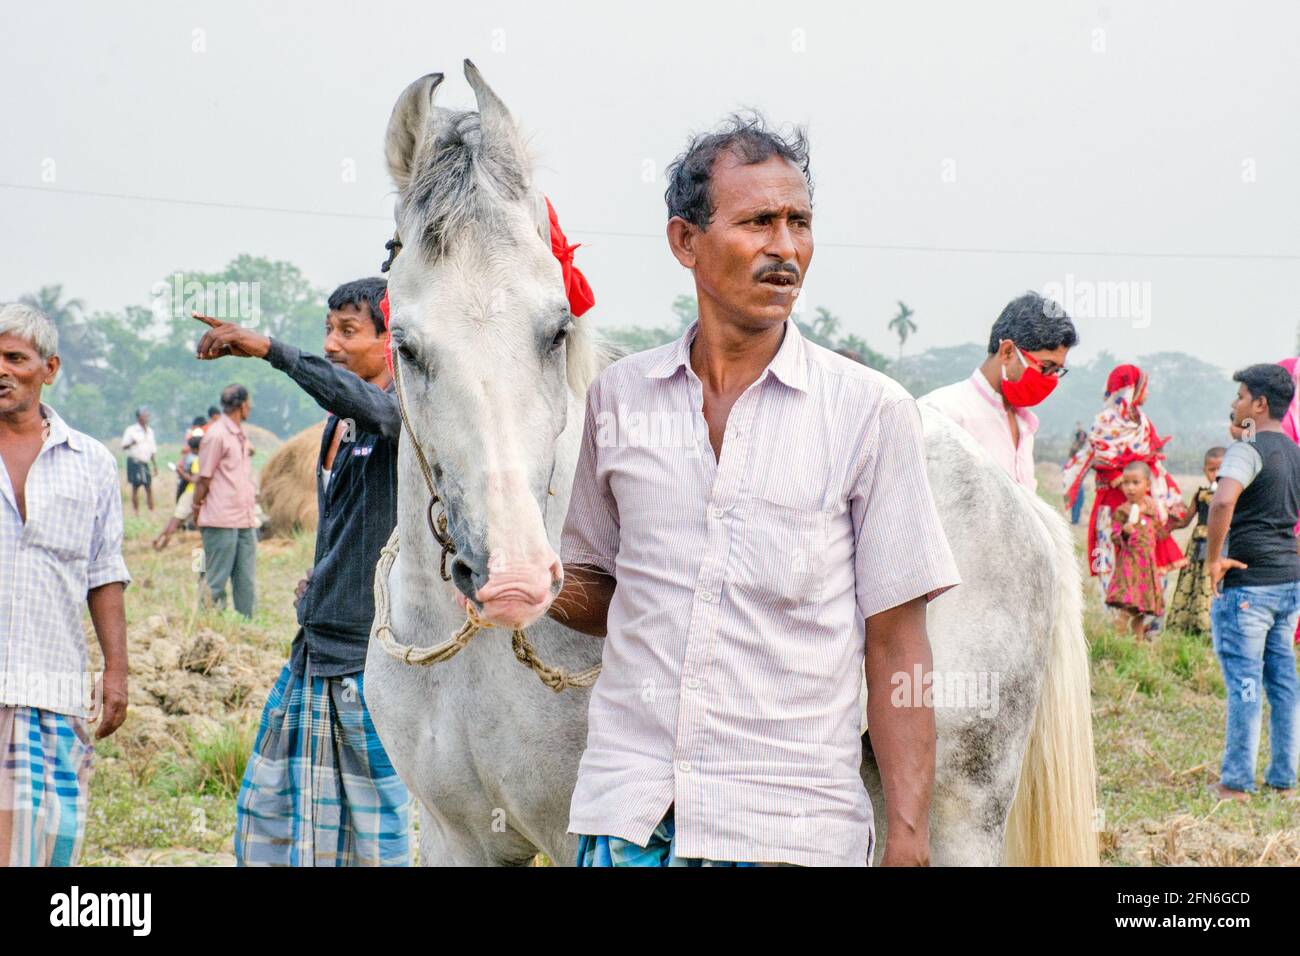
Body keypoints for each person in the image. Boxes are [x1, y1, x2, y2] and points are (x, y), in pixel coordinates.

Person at [547, 115, 961, 866]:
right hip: (630, 818)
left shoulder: (868, 413)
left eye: (799, 222)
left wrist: (907, 833)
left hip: (789, 829)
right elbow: (602, 591)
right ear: (685, 242)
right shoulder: (618, 400)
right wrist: (521, 585)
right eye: (758, 222)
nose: (785, 248)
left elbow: (898, 643)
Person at [192, 277, 412, 866]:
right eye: (327, 330)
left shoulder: (401, 413)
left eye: (349, 331)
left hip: (367, 665)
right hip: (313, 647)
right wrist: (322, 577)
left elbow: (380, 412)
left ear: (392, 340)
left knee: (372, 835)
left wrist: (271, 350)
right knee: (274, 813)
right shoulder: (338, 427)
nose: (333, 344)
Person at [0, 303, 130, 866]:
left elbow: (104, 573)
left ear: (48, 368)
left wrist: (117, 670)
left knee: (49, 848)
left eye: (14, 358)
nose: (1, 370)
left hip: (52, 685)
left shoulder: (92, 462)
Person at [1206, 364, 1300, 801]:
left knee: (1245, 684)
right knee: (1284, 685)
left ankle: (1236, 783)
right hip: (1287, 584)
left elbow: (1223, 499)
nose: (1234, 404)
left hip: (1248, 587)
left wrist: (1214, 558)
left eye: (1241, 396)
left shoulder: (1247, 449)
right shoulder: (1296, 454)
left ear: (1259, 404)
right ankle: (1283, 780)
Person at [1063, 364, 1186, 631]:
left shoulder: (1141, 421)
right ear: (1131, 388)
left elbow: (1152, 459)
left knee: (1146, 561)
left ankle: (1145, 625)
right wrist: (1121, 476)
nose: (1148, 392)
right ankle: (1116, 627)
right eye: (1144, 386)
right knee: (1113, 560)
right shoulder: (1106, 421)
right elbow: (1099, 455)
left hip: (1144, 509)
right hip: (1112, 508)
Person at [920, 291, 1078, 492]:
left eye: (1057, 370)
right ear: (1007, 352)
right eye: (1046, 367)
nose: (1051, 378)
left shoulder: (1024, 425)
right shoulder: (942, 414)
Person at [192, 384, 258, 617]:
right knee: (215, 579)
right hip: (221, 519)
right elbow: (204, 478)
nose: (250, 407)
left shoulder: (239, 434)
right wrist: (196, 507)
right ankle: (209, 625)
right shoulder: (216, 435)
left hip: (244, 518)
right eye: (249, 403)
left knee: (246, 581)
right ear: (242, 406)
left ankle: (246, 626)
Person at [1105, 462, 1169, 640]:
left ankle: (1138, 641)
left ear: (1147, 485)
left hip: (1147, 565)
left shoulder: (1151, 508)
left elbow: (1156, 530)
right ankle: (1118, 633)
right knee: (1129, 601)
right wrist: (1124, 533)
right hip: (1129, 564)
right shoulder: (1122, 511)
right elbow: (1114, 536)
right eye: (1126, 483)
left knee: (1142, 607)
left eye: (1135, 483)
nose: (1130, 488)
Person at [1166, 447, 1226, 635]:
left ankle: (1213, 625)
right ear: (1204, 471)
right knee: (1196, 582)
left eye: (1220, 469)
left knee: (1215, 584)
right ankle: (1194, 624)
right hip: (1199, 545)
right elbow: (1185, 520)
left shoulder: (1231, 496)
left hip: (1221, 546)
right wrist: (1168, 526)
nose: (1216, 474)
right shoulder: (1200, 494)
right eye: (1211, 470)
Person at [152, 431, 203, 551]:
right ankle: (161, 545)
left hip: (189, 493)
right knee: (176, 522)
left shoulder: (193, 459)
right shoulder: (197, 460)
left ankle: (159, 540)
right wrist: (181, 472)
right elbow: (194, 479)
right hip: (192, 494)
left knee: (175, 519)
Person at [121, 405, 158, 515]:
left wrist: (155, 465)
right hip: (134, 461)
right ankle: (136, 511)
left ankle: (151, 510)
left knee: (148, 487)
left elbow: (152, 449)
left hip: (145, 461)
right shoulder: (131, 430)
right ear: (139, 417)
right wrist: (132, 443)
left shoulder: (150, 431)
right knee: (135, 487)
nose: (147, 417)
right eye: (145, 415)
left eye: (147, 415)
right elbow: (123, 446)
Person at [1068, 422, 1089, 524]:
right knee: (1077, 498)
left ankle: (1075, 519)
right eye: (1082, 437)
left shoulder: (1082, 448)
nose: (1084, 439)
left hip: (1078, 477)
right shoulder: (1076, 448)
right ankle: (1074, 519)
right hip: (1074, 477)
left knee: (1079, 499)